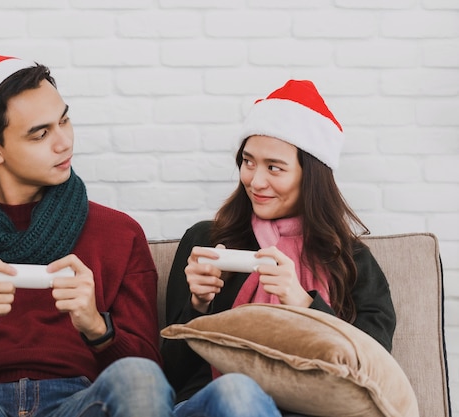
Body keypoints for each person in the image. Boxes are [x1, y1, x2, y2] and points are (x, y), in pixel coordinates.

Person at [0, 52, 176, 417]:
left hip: (83, 402)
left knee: (138, 376)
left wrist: (97, 328)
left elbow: (150, 376)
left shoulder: (119, 234)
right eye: (40, 134)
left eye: (64, 120)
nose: (63, 143)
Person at [161, 80, 396, 416]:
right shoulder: (208, 241)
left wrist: (301, 301)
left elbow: (374, 372)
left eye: (274, 167)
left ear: (310, 176)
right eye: (248, 162)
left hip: (312, 409)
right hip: (215, 403)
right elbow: (172, 374)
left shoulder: (351, 263)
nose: (255, 181)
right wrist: (198, 306)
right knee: (239, 390)